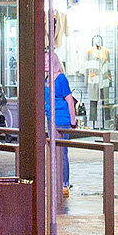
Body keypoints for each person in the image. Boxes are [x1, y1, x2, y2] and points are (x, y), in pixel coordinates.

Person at [48, 48, 77, 198]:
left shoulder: (61, 79)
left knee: (62, 152)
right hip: (50, 120)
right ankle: (55, 182)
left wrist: (73, 120)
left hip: (61, 120)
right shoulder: (46, 79)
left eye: (48, 61)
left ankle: (64, 183)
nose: (45, 63)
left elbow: (69, 100)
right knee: (53, 152)